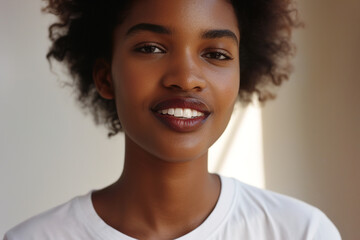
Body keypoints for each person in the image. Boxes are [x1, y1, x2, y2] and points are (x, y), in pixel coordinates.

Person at [4, 0, 341, 239]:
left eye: (216, 54)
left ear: (241, 76)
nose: (186, 77)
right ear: (106, 78)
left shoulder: (302, 232)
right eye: (151, 48)